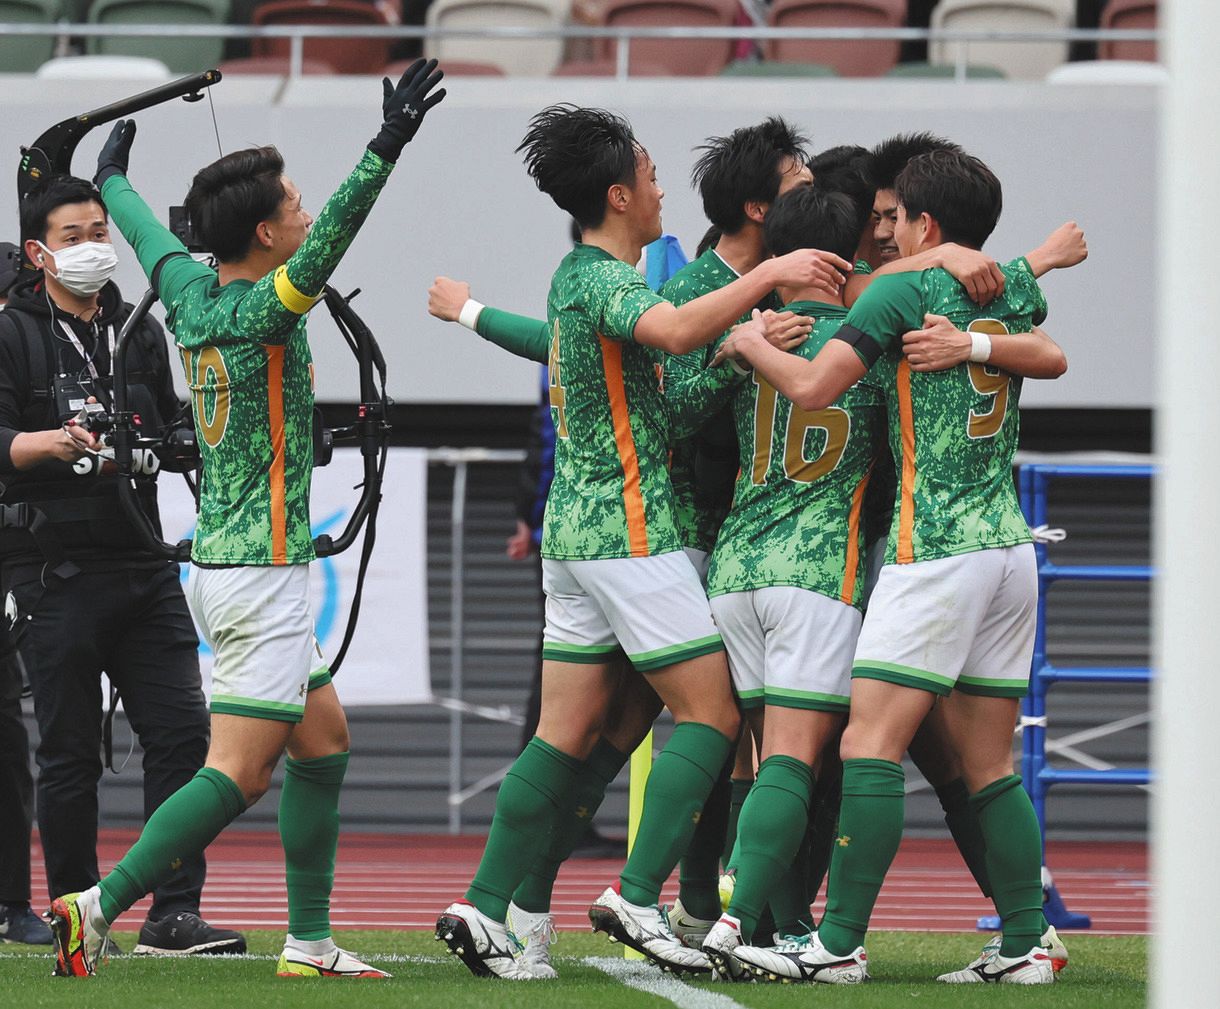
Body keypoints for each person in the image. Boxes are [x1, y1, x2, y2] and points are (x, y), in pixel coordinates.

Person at [44, 57, 447, 980]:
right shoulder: (269, 307)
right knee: (237, 773)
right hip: (260, 575)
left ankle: (307, 942)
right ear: (266, 233)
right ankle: (94, 907)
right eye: (293, 204)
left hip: (234, 568)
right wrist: (387, 144)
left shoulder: (191, 296)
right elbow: (333, 236)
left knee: (324, 743)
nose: (306, 213)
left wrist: (113, 178)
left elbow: (148, 239)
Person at [434, 102, 850, 981]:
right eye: (653, 176)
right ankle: (633, 893)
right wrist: (757, 291)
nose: (665, 191)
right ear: (619, 193)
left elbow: (667, 398)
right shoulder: (605, 278)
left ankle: (489, 903)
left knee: (567, 733)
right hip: (633, 529)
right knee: (713, 713)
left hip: (578, 539)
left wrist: (740, 351)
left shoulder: (585, 278)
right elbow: (669, 330)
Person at [719, 149, 1072, 985]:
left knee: (870, 747)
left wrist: (743, 342)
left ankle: (835, 943)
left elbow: (810, 385)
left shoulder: (897, 290)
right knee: (990, 767)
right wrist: (991, 298)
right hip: (1008, 547)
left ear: (926, 225)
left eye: (897, 219)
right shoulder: (1002, 289)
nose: (886, 231)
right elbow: (1053, 356)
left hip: (937, 548)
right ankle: (1027, 942)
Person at [0, 186, 247, 958]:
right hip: (52, 569)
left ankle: (173, 911)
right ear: (38, 253)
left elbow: (173, 423)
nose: (93, 245)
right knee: (69, 750)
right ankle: (79, 908)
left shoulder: (135, 328)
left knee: (183, 735)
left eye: (100, 230)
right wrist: (56, 442)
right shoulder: (11, 333)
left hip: (145, 561)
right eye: (73, 233)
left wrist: (183, 440)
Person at [695, 184, 886, 979]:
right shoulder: (871, 340)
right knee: (796, 760)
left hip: (734, 566)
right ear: (849, 259)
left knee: (748, 757)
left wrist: (741, 340)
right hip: (815, 571)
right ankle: (737, 923)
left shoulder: (755, 333)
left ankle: (769, 918)